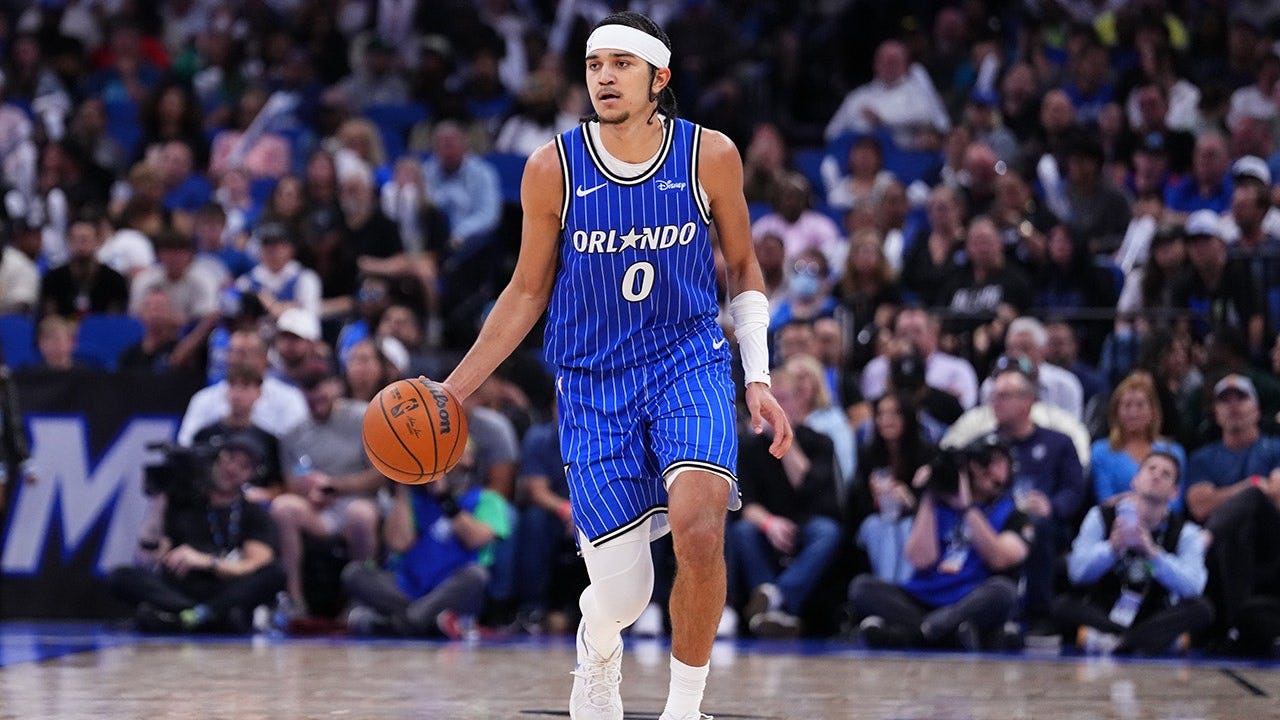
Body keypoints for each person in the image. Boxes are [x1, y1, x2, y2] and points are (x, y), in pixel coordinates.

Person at [439, 13, 792, 720]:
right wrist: (452, 390)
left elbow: (744, 265)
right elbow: (526, 291)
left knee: (700, 526)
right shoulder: (552, 168)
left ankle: (684, 708)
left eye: (622, 64)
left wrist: (757, 376)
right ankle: (597, 644)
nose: (604, 76)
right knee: (625, 596)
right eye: (595, 64)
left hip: (687, 360)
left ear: (660, 78)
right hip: (594, 384)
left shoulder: (710, 155)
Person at [848, 434, 1031, 650]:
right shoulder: (938, 506)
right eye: (982, 462)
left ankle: (914, 634)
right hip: (924, 598)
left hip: (969, 599)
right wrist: (929, 495)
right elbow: (920, 559)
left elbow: (1000, 559)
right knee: (862, 587)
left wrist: (967, 508)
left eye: (997, 462)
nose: (987, 469)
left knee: (1003, 591)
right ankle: (946, 634)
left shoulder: (1013, 513)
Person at [108, 434, 286, 633]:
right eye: (229, 458)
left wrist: (208, 562)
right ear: (217, 459)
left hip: (225, 588)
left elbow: (256, 564)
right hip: (182, 588)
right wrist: (158, 503)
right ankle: (200, 616)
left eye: (243, 466)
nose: (232, 469)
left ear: (251, 474)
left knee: (276, 573)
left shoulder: (254, 513)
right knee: (119, 576)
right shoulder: (184, 503)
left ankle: (184, 617)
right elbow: (149, 559)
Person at [342, 441, 511, 639]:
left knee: (477, 575)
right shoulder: (415, 499)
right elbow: (398, 543)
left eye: (453, 461)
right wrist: (403, 486)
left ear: (470, 462)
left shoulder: (487, 499)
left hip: (451, 591)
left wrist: (444, 498)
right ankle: (430, 622)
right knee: (354, 574)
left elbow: (475, 539)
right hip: (408, 587)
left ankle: (399, 624)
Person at [1053, 451, 1212, 655]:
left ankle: (1120, 641)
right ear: (1135, 480)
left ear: (1174, 492)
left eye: (1166, 474)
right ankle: (1141, 642)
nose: (1156, 475)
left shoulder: (1186, 531)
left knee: (1202, 609)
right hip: (1105, 611)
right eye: (1151, 469)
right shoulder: (1101, 516)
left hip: (1153, 614)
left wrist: (1153, 553)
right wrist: (1112, 548)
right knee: (1061, 604)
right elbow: (1077, 573)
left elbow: (1193, 587)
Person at [732, 364, 843, 639]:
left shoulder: (820, 442)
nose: (775, 408)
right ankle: (773, 610)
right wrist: (769, 523)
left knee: (827, 532)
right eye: (771, 400)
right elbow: (746, 503)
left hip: (806, 524)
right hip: (768, 526)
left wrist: (785, 438)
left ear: (799, 402)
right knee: (743, 531)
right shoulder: (749, 446)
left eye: (782, 400)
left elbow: (809, 485)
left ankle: (774, 598)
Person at [1185, 374, 1280, 524]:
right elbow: (1200, 507)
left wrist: (1221, 495)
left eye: (1241, 398)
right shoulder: (1202, 458)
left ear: (1257, 410)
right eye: (1225, 400)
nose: (1233, 405)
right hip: (1221, 535)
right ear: (1216, 414)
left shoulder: (1276, 448)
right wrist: (1252, 485)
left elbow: (1278, 494)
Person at [1090, 372, 1187, 511]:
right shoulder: (1101, 451)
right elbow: (1106, 502)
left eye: (1140, 405)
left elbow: (1175, 504)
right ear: (1116, 412)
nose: (1133, 412)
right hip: (1117, 520)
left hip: (1163, 521)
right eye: (1127, 406)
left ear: (1152, 411)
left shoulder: (1173, 451)